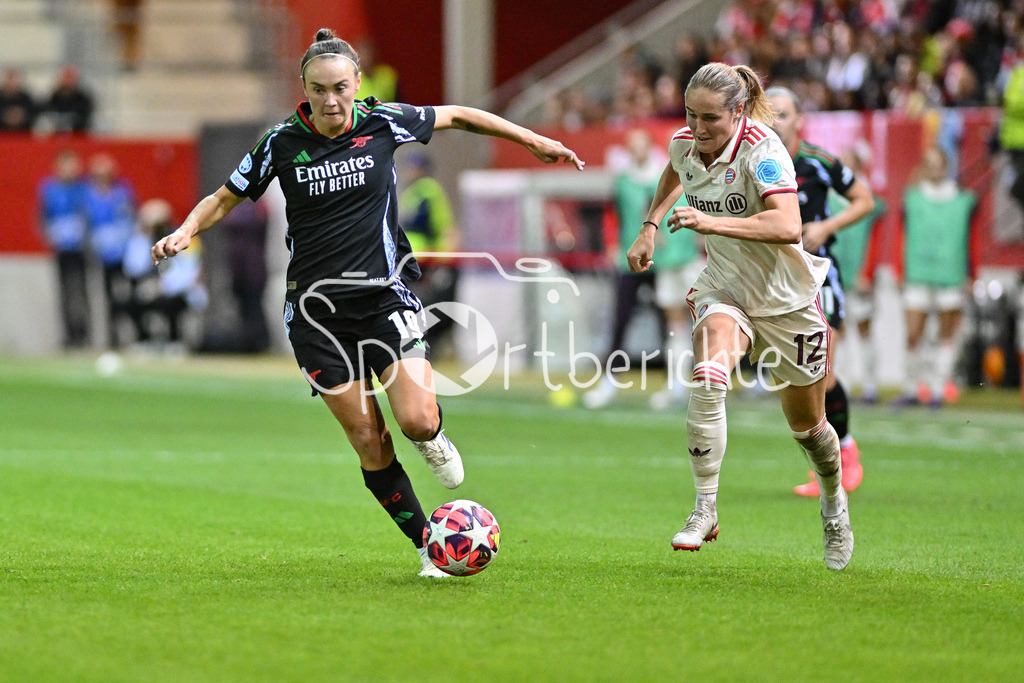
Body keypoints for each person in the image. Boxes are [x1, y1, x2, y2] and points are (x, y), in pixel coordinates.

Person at [152, 29, 583, 578]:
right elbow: (225, 197)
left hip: (385, 296)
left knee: (417, 420)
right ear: (303, 88)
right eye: (318, 90)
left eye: (339, 88)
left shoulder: (384, 120)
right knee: (369, 440)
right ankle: (430, 545)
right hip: (314, 314)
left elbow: (458, 115)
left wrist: (532, 141)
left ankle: (433, 437)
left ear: (357, 84)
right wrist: (187, 229)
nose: (330, 101)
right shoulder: (281, 142)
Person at [626, 62, 853, 570]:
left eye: (710, 118)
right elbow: (674, 172)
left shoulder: (763, 149)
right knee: (707, 376)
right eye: (690, 115)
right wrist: (649, 226)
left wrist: (709, 220)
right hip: (726, 288)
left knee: (809, 428)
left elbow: (788, 224)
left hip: (788, 299)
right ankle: (705, 507)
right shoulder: (685, 143)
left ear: (738, 111)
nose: (698, 128)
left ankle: (833, 501)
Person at [766, 86, 875, 498]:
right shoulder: (754, 162)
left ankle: (846, 454)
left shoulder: (818, 161)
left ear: (799, 120)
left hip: (820, 276)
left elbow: (864, 199)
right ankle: (825, 465)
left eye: (784, 114)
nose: (776, 121)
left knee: (822, 370)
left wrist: (826, 228)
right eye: (769, 114)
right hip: (779, 281)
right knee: (799, 378)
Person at [893, 146, 976, 409]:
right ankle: (911, 388)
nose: (933, 168)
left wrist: (972, 273)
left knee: (945, 335)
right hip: (917, 271)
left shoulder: (963, 199)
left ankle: (938, 389)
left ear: (946, 166)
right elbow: (901, 236)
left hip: (951, 273)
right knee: (913, 333)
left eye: (937, 163)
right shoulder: (912, 198)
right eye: (928, 163)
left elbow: (971, 240)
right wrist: (899, 269)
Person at [398, 151, 460, 356]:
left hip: (426, 258)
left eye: (415, 167)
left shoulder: (428, 190)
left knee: (421, 304)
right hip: (415, 257)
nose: (411, 171)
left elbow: (436, 227)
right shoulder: (414, 192)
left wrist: (441, 259)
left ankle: (422, 345)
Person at [38, 149, 91, 348]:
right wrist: (50, 237)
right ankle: (70, 336)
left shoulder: (84, 188)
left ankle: (84, 335)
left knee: (82, 292)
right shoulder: (49, 189)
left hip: (82, 249)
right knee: (65, 293)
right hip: (62, 249)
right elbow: (43, 217)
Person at [84, 153, 136, 349]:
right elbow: (87, 224)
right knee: (106, 298)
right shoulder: (88, 195)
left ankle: (131, 335)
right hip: (102, 255)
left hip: (123, 253)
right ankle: (111, 337)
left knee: (126, 296)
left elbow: (130, 218)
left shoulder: (122, 192)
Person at [43, 65, 95, 133]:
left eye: (70, 78)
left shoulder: (84, 101)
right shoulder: (52, 99)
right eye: (65, 77)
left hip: (78, 138)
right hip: (56, 138)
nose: (67, 81)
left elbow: (86, 122)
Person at [0, 68, 38, 132]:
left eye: (14, 80)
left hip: (22, 135)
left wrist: (21, 118)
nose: (12, 83)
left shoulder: (26, 99)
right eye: (10, 79)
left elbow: (34, 116)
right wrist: (5, 118)